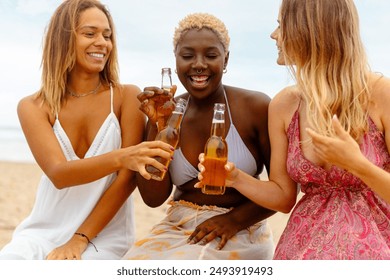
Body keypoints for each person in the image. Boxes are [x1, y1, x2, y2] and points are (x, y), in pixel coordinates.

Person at [197, 0, 390, 260]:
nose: (274, 35)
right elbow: (283, 197)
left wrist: (357, 164)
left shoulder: (381, 93)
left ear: (309, 29)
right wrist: (235, 179)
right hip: (301, 248)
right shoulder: (283, 105)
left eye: (281, 25)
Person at [0, 0, 172, 260]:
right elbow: (59, 174)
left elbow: (126, 180)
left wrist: (80, 239)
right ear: (64, 39)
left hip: (104, 236)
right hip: (41, 232)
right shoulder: (33, 106)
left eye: (107, 35)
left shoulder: (127, 97)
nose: (102, 43)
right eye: (90, 34)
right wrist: (124, 156)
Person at [124, 13, 275, 260]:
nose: (199, 64)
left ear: (226, 59)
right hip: (177, 227)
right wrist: (158, 126)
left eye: (211, 55)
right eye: (187, 56)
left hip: (242, 227)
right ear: (176, 61)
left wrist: (233, 220)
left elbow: (282, 191)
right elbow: (153, 199)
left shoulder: (255, 107)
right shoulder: (168, 113)